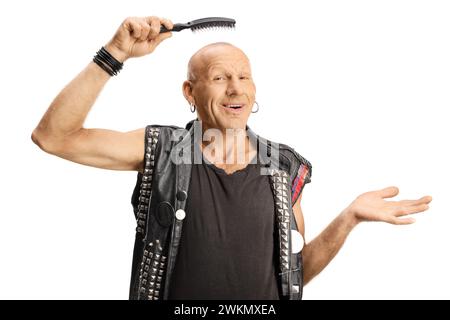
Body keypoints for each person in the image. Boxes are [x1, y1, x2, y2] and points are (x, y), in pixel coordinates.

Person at [31, 16, 432, 300]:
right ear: (190, 92)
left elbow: (293, 276)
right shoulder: (162, 149)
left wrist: (350, 218)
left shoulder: (284, 167)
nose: (235, 89)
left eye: (244, 77)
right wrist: (115, 52)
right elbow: (54, 137)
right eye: (220, 78)